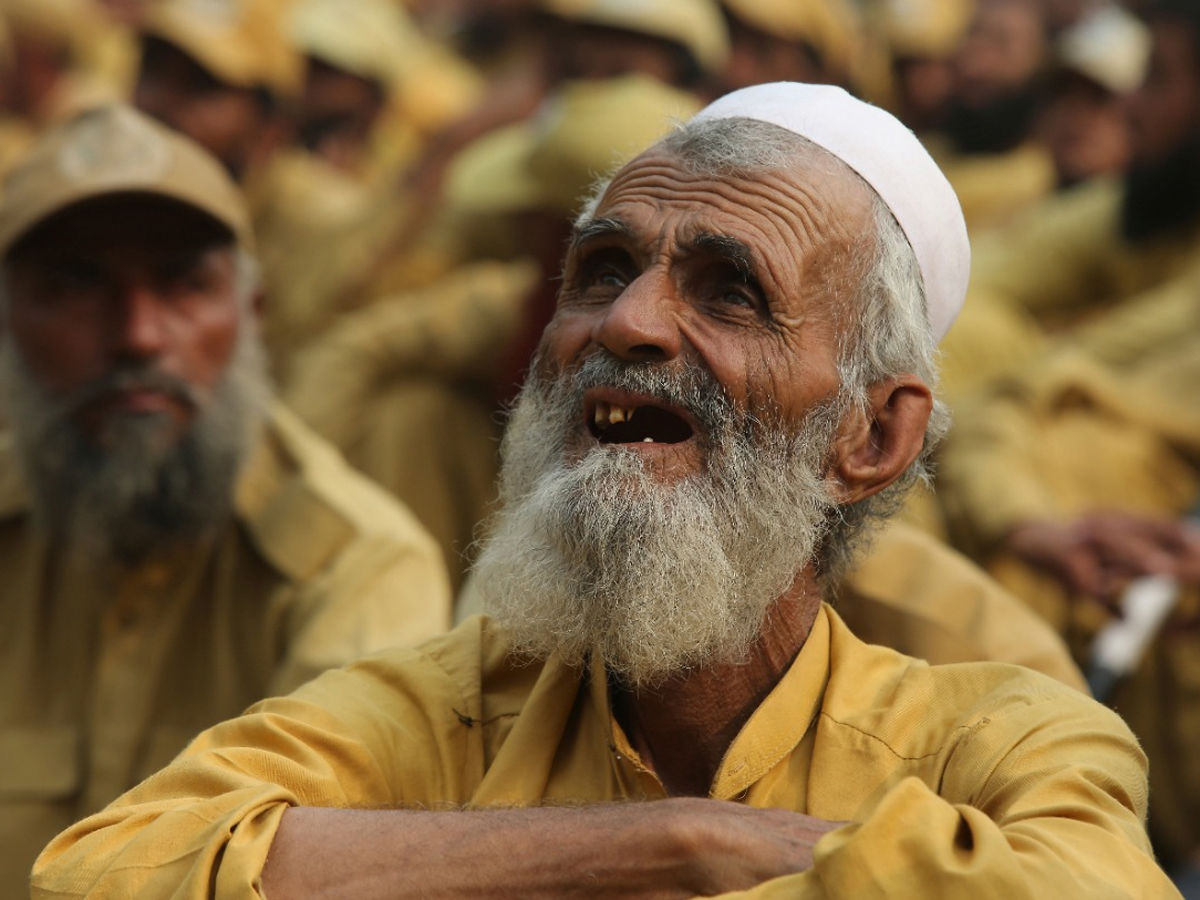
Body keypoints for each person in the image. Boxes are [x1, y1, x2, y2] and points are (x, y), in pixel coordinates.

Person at [33, 83, 1175, 898]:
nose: (624, 325)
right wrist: (670, 848)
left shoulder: (999, 739)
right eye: (605, 269)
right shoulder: (449, 708)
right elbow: (107, 871)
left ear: (870, 436)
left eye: (730, 293)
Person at [0, 103, 451, 893]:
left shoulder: (355, 566)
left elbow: (339, 871)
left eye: (184, 284)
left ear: (251, 316)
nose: (138, 334)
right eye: (73, 286)